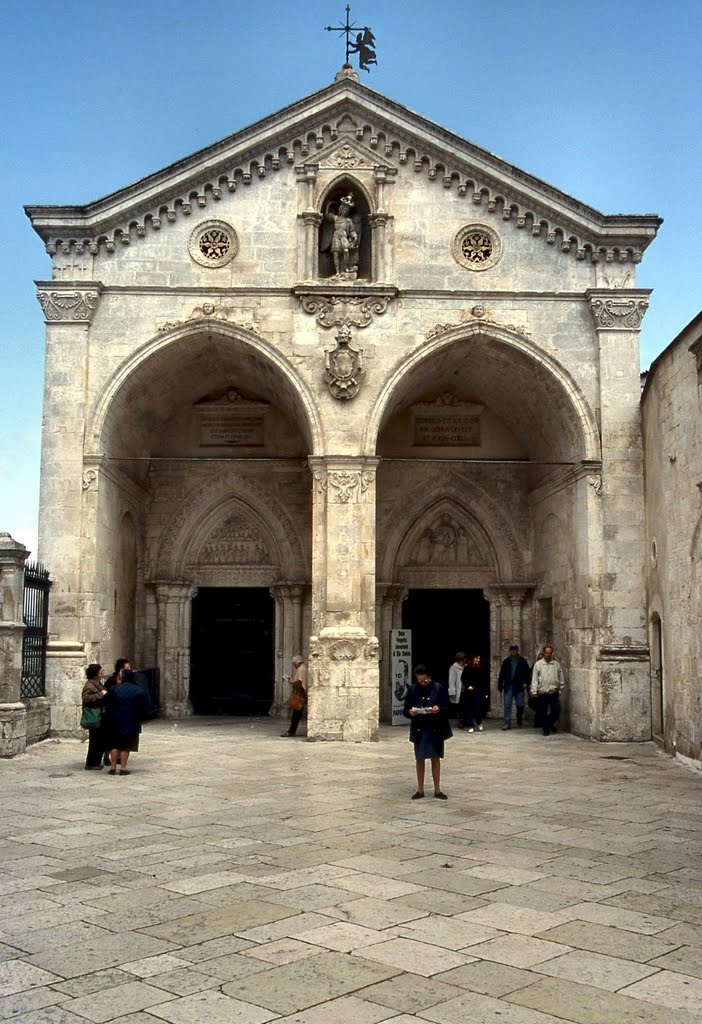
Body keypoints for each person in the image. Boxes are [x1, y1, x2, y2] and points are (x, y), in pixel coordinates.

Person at [403, 664, 452, 800]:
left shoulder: (438, 688)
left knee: (435, 757)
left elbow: (447, 706)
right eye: (419, 681)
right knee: (420, 758)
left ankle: (437, 789)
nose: (422, 683)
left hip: (435, 727)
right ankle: (420, 789)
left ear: (429, 677)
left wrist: (438, 709)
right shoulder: (413, 690)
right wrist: (410, 712)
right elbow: (405, 709)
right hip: (420, 727)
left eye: (424, 680)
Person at [103, 669, 152, 775]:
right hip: (131, 720)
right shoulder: (139, 691)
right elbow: (147, 708)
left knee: (114, 744)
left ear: (122, 677)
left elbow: (105, 701)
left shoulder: (114, 689)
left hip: (114, 719)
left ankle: (112, 767)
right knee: (126, 745)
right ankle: (123, 768)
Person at [530, 645, 565, 736]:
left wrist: (561, 688)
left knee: (556, 710)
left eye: (550, 653)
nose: (548, 655)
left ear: (552, 653)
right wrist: (534, 691)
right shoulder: (538, 664)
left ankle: (550, 723)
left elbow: (560, 676)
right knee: (543, 712)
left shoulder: (556, 664)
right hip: (542, 692)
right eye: (546, 653)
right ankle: (546, 729)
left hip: (553, 691)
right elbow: (535, 678)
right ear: (544, 653)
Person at [498, 644, 532, 730]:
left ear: (517, 651)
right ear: (510, 651)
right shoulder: (506, 661)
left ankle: (519, 717)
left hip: (519, 686)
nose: (513, 651)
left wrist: (525, 682)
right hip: (509, 685)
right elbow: (501, 674)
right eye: (512, 650)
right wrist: (500, 684)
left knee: (520, 704)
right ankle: (507, 723)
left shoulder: (522, 661)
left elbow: (527, 673)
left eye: (515, 650)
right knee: (507, 704)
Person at [324, 195, 358, 277]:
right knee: (336, 254)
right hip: (336, 236)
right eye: (344, 209)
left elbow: (352, 231)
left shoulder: (348, 220)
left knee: (346, 251)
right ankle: (338, 272)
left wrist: (355, 236)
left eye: (347, 210)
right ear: (341, 209)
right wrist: (327, 206)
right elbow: (327, 216)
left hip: (344, 237)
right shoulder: (336, 218)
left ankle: (344, 268)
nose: (345, 211)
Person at [81, 664, 107, 770]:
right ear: (95, 674)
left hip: (100, 715)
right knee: (95, 740)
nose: (102, 674)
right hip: (94, 715)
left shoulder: (97, 683)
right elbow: (86, 698)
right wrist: (101, 695)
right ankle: (91, 763)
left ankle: (96, 761)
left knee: (99, 739)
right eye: (100, 673)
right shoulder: (89, 685)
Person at [459, 654, 488, 730]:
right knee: (469, 708)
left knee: (479, 708)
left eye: (478, 658)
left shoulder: (482, 668)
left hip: (479, 690)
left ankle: (479, 722)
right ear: (472, 659)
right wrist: (468, 685)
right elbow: (463, 678)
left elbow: (484, 680)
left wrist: (485, 692)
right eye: (476, 658)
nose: (477, 660)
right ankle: (471, 725)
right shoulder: (467, 668)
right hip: (470, 690)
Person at [281, 655, 307, 737]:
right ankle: (291, 731)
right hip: (301, 694)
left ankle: (291, 732)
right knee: (296, 714)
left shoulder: (301, 669)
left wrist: (291, 682)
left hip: (300, 695)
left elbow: (299, 683)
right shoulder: (303, 668)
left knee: (296, 714)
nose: (293, 665)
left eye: (293, 663)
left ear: (297, 662)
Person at [447, 651, 466, 720]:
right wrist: (452, 692)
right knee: (459, 707)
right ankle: (460, 720)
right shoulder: (453, 668)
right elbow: (451, 681)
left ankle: (465, 720)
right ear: (461, 659)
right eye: (464, 658)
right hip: (458, 690)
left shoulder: (465, 667)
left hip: (464, 689)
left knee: (465, 706)